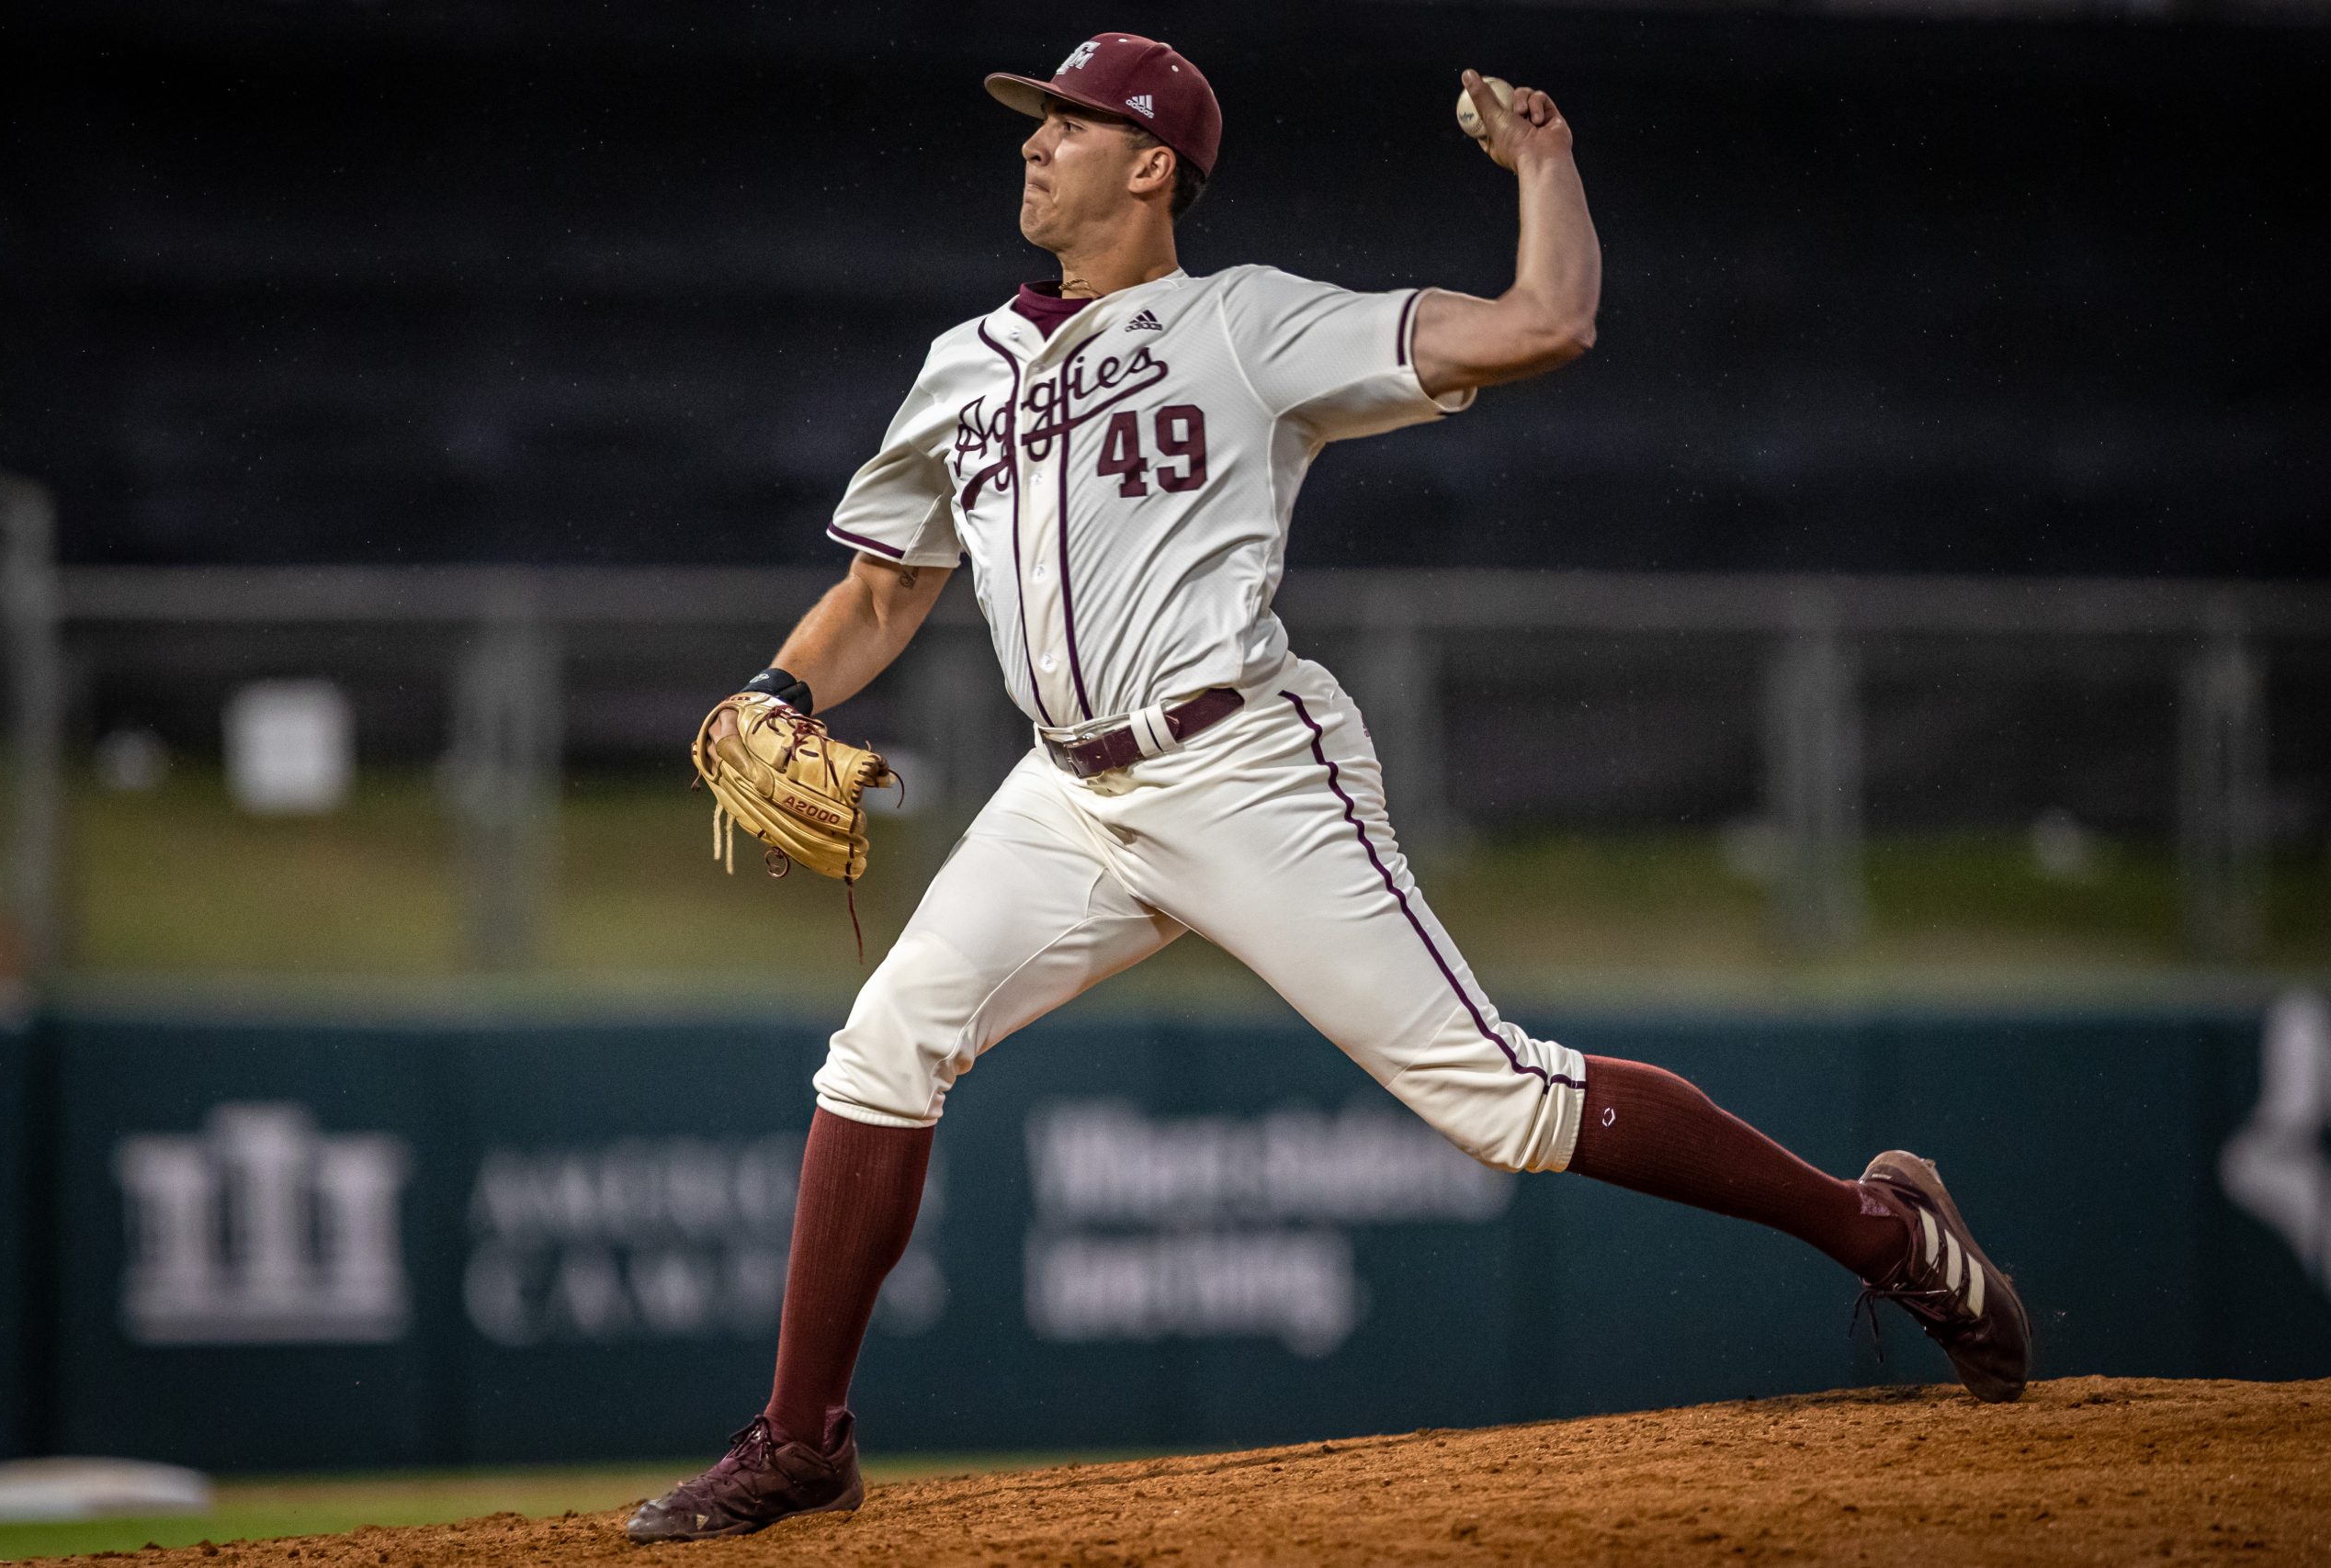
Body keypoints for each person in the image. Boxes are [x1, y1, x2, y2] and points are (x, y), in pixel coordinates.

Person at [627, 32, 2029, 1545]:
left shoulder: (1245, 326)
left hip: (1241, 763)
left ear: (1153, 163)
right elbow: (884, 594)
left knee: (1497, 1099)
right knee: (881, 1052)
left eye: (1068, 124)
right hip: (1067, 798)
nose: (1032, 144)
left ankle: (1885, 1232)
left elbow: (1546, 325)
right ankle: (802, 1443)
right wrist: (778, 689)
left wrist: (1546, 165)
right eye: (1033, 123)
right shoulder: (962, 367)